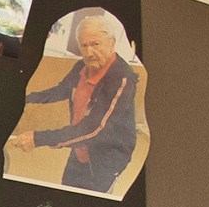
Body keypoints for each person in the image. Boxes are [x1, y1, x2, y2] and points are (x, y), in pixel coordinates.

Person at [12, 16, 141, 195]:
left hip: (107, 156)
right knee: (66, 189)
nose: (88, 52)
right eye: (84, 45)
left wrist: (39, 138)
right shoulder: (81, 67)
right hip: (80, 145)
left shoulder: (121, 78)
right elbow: (61, 90)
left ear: (111, 42)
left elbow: (96, 129)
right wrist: (25, 98)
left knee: (91, 202)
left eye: (95, 44)